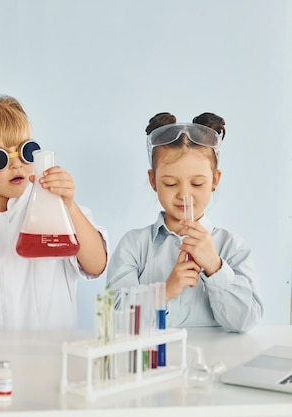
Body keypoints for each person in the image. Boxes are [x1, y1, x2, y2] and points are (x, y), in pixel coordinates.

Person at [0, 93, 108, 331]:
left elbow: (96, 264)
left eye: (25, 151)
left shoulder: (56, 207)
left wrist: (68, 204)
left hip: (51, 356)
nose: (16, 165)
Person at [106, 112, 262, 332]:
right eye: (170, 184)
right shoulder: (134, 245)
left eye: (197, 184)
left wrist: (215, 268)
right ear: (153, 180)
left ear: (215, 180)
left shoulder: (232, 247)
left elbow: (245, 322)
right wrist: (165, 291)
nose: (184, 195)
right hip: (155, 363)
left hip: (215, 363)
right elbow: (115, 319)